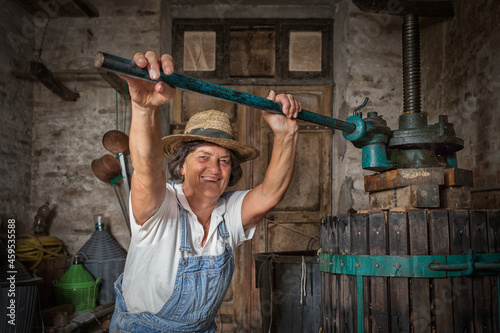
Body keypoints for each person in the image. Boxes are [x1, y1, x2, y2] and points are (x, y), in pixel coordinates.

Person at [109, 51, 301, 332]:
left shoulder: (228, 212)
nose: (215, 168)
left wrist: (286, 134)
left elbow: (270, 194)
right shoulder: (162, 203)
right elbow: (148, 169)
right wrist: (144, 108)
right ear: (182, 165)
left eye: (224, 160)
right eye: (203, 157)